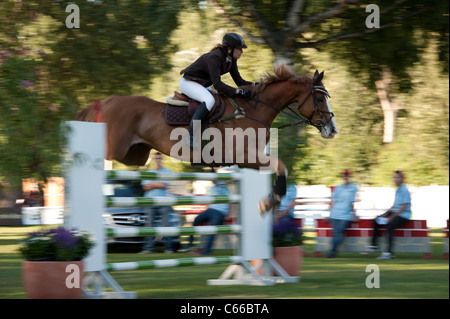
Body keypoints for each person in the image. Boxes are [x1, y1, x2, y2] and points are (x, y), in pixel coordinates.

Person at [179, 32, 256, 147]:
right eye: (240, 49)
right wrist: (238, 91)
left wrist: (256, 85)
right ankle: (189, 136)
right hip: (189, 83)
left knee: (218, 99)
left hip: (202, 84)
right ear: (230, 48)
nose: (242, 52)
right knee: (210, 101)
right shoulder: (215, 56)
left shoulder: (231, 60)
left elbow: (239, 82)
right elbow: (218, 84)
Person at [365, 170, 412, 260]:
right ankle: (374, 246)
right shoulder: (398, 190)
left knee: (389, 227)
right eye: (394, 178)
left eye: (397, 177)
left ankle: (388, 253)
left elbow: (403, 207)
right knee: (376, 220)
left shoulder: (404, 190)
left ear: (402, 179)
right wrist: (384, 214)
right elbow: (394, 206)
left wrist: (391, 217)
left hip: (404, 215)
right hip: (395, 212)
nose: (395, 179)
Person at [139, 152, 175, 254]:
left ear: (162, 159)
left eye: (160, 158)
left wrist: (152, 184)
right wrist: (157, 183)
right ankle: (148, 249)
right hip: (150, 203)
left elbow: (163, 185)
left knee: (166, 225)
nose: (158, 160)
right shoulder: (148, 172)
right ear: (154, 160)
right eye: (156, 158)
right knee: (149, 226)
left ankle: (168, 248)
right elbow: (145, 187)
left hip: (164, 202)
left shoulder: (168, 171)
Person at [185, 179, 231, 255]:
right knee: (196, 220)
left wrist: (229, 214)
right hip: (211, 210)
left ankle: (206, 251)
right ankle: (190, 244)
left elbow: (230, 200)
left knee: (212, 230)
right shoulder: (212, 187)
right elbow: (210, 200)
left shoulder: (223, 185)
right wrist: (207, 209)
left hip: (220, 212)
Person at [326, 169, 359, 258]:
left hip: (345, 215)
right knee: (336, 233)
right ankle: (333, 251)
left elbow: (352, 202)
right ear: (342, 177)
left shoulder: (354, 187)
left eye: (347, 175)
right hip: (335, 213)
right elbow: (332, 201)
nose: (346, 177)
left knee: (338, 232)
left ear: (349, 177)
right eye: (344, 175)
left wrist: (355, 215)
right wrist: (329, 214)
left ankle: (332, 251)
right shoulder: (338, 187)